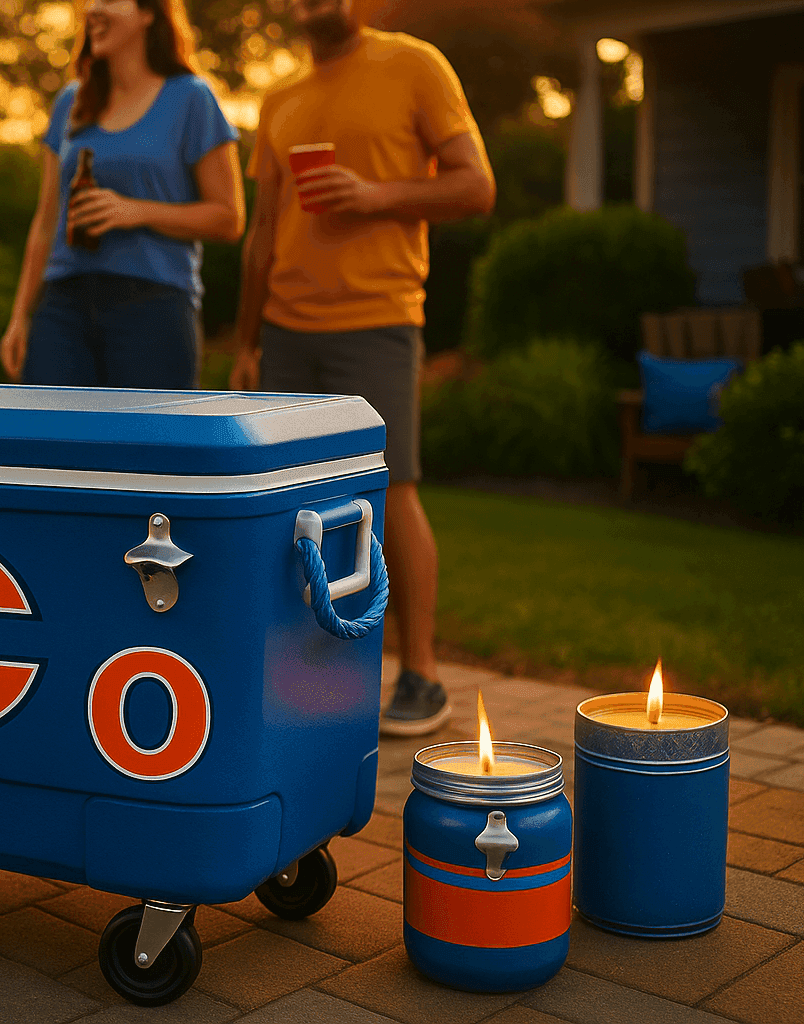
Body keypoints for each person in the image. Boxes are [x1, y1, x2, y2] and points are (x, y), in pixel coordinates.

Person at [229, 0, 496, 736]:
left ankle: (422, 674)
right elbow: (261, 233)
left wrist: (377, 197)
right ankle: (304, 673)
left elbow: (476, 186)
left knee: (394, 488)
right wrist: (246, 342)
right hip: (286, 328)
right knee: (289, 504)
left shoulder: (413, 65)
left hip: (377, 320)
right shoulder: (279, 99)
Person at [0, 0, 244, 388]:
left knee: (149, 445)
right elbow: (47, 220)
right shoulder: (70, 103)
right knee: (55, 443)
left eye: (109, 0)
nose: (93, 9)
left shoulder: (192, 98)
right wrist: (20, 316)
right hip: (63, 307)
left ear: (149, 13)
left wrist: (137, 211)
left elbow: (229, 219)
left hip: (154, 306)